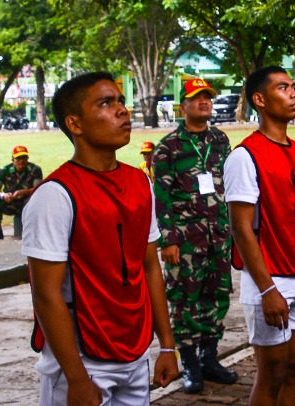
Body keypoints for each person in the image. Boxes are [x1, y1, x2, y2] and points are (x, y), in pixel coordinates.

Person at [23, 72, 178, 405]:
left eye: (121, 101)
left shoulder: (140, 183)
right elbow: (46, 293)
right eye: (106, 103)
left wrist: (167, 345)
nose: (122, 110)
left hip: (134, 350)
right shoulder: (55, 194)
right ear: (75, 124)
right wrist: (76, 377)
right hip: (83, 358)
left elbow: (150, 266)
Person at [223, 66, 295, 406]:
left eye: (293, 86)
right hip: (269, 279)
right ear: (260, 100)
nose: (294, 93)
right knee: (272, 374)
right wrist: (267, 290)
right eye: (282, 88)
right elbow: (241, 228)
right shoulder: (244, 156)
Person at [152, 77, 237, 394]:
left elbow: (228, 183)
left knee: (217, 295)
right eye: (197, 97)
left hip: (219, 234)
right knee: (184, 299)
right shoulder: (168, 147)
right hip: (186, 240)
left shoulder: (220, 140)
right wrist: (168, 240)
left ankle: (209, 359)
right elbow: (162, 197)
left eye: (208, 97)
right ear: (183, 106)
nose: (204, 102)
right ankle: (189, 364)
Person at [0, 144, 43, 240]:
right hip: (9, 201)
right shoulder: (4, 170)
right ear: (13, 159)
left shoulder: (35, 170)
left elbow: (38, 189)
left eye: (24, 157)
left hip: (26, 201)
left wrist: (23, 192)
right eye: (18, 158)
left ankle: (31, 230)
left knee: (35, 201)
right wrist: (3, 195)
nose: (21, 161)